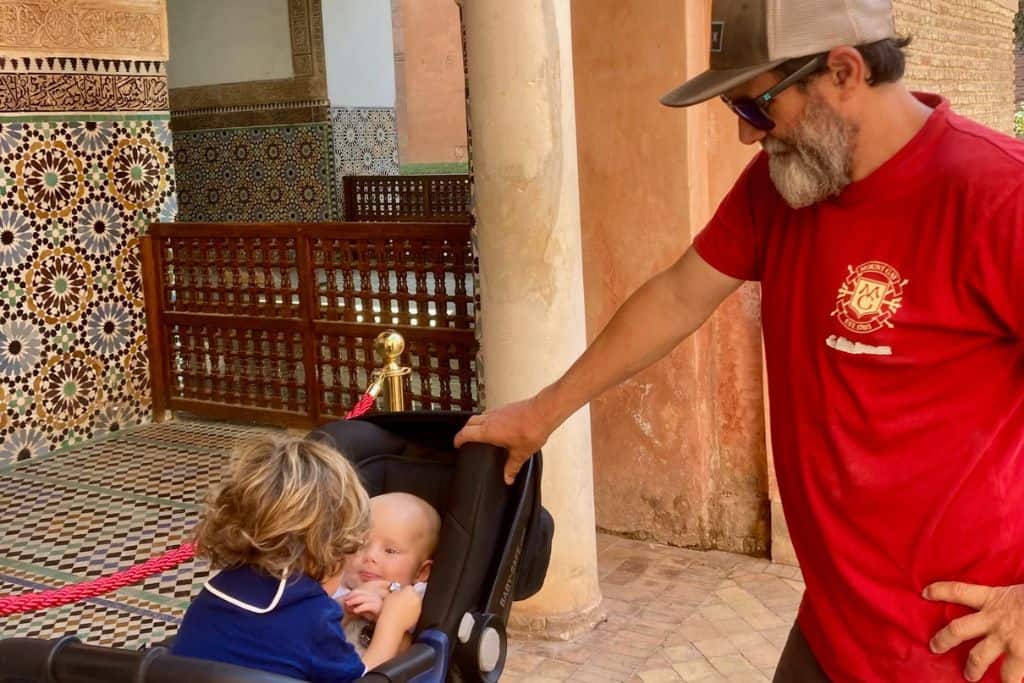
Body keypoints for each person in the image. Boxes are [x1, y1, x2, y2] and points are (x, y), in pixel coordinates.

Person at [454, 1, 1024, 681]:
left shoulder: (997, 195)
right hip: (833, 631)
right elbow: (677, 295)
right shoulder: (781, 191)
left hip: (962, 652)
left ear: (842, 71)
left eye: (757, 109)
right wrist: (541, 412)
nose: (746, 139)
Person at [170, 435, 421, 681]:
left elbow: (279, 637)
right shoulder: (314, 619)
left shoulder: (218, 589)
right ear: (326, 550)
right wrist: (393, 623)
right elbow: (362, 678)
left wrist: (345, 609)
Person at [332, 492, 441, 654]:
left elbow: (412, 663)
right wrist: (345, 609)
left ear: (421, 572)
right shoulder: (331, 584)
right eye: (360, 544)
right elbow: (305, 635)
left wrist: (387, 621)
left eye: (390, 551)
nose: (370, 556)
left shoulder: (417, 604)